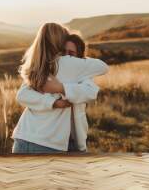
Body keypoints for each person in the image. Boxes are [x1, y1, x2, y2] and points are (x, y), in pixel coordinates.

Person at [11, 23, 108, 154]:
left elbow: (21, 95)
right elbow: (102, 67)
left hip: (24, 138)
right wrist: (54, 102)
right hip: (48, 144)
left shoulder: (38, 65)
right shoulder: (70, 64)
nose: (67, 55)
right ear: (59, 41)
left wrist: (61, 88)